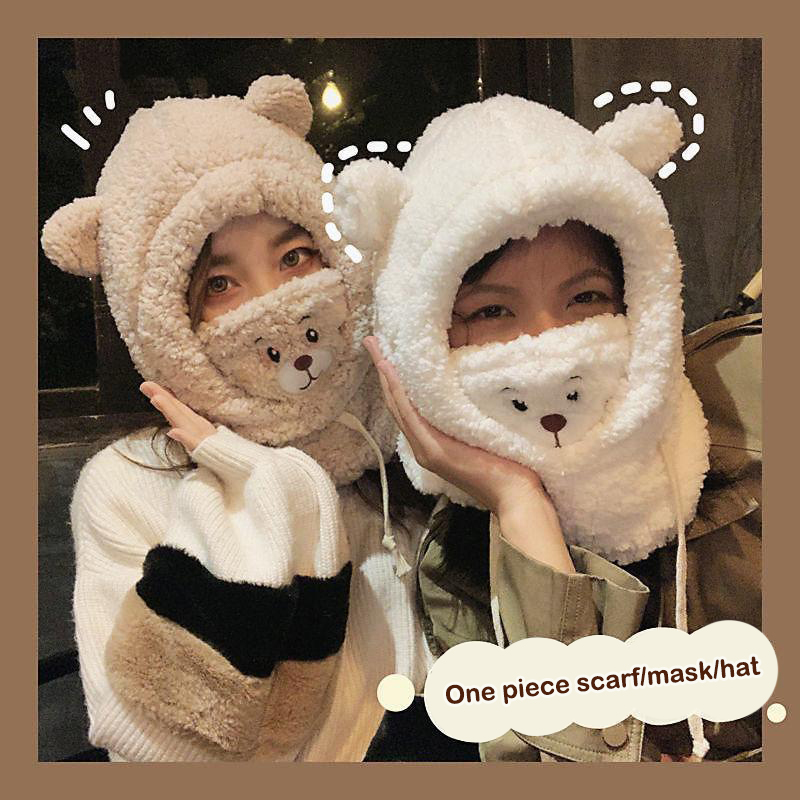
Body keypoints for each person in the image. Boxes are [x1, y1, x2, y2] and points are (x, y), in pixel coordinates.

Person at [335, 93, 762, 762]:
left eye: (585, 298)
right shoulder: (455, 564)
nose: (548, 348)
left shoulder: (756, 429)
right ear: (423, 341)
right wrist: (518, 502)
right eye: (492, 312)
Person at [41, 74, 433, 762]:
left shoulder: (404, 442)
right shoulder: (130, 482)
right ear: (163, 318)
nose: (276, 301)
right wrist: (271, 485)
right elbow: (162, 747)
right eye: (219, 283)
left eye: (295, 255)